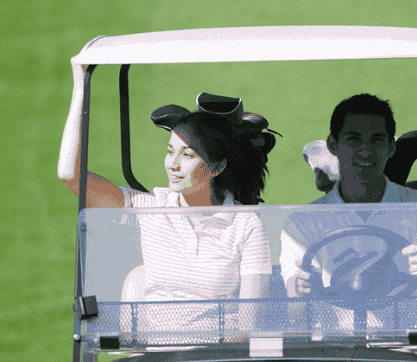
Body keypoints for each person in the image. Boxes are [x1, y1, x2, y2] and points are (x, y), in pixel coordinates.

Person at [56, 76, 277, 305]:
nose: (173, 164)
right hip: (157, 341)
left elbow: (248, 322)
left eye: (188, 155)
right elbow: (70, 175)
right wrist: (81, 85)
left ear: (218, 166)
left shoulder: (246, 223)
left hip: (218, 341)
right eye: (171, 151)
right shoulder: (153, 207)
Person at [278, 94, 417, 298]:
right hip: (335, 330)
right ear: (333, 145)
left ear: (391, 147)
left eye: (376, 139)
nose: (365, 151)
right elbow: (295, 303)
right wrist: (297, 287)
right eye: (353, 139)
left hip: (409, 329)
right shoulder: (302, 222)